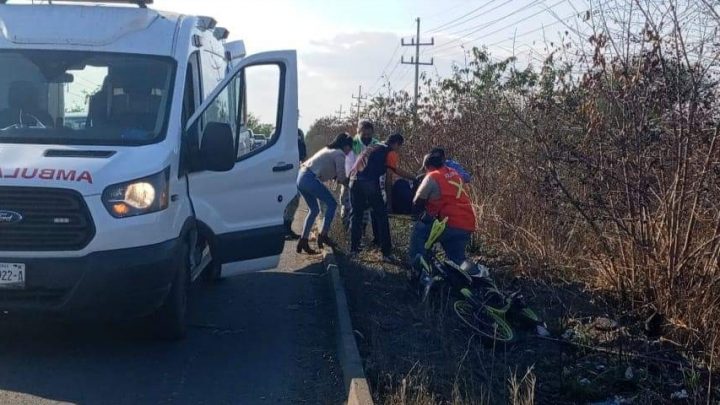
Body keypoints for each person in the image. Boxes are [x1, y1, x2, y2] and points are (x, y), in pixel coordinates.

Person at [349, 133, 415, 261]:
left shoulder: (374, 146)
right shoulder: (390, 152)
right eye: (399, 147)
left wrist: (412, 177)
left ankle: (353, 251)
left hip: (354, 180)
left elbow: (394, 169)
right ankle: (386, 253)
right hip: (368, 182)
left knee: (357, 215)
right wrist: (389, 204)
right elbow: (389, 179)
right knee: (382, 215)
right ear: (396, 144)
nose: (398, 150)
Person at [409, 153, 477, 265]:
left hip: (449, 224)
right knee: (457, 262)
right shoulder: (454, 172)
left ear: (428, 166)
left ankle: (417, 268)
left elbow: (417, 202)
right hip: (467, 224)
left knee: (419, 230)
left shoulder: (432, 176)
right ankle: (462, 279)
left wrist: (416, 217)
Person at [296, 133, 353, 254]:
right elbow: (342, 178)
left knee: (314, 210)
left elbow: (331, 171)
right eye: (350, 147)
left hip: (301, 176)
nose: (350, 151)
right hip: (310, 178)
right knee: (332, 204)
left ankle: (303, 240)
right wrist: (353, 185)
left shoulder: (328, 149)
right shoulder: (340, 154)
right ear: (345, 145)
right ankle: (323, 235)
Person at [341, 120, 380, 230]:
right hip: (351, 180)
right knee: (348, 207)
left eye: (369, 134)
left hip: (368, 183)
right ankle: (345, 231)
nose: (367, 137)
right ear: (358, 132)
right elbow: (347, 164)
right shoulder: (352, 144)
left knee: (366, 211)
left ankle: (361, 234)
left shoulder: (376, 144)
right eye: (364, 134)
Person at [283, 129, 309, 240]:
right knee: (290, 200)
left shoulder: (298, 132)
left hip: (294, 169)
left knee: (293, 200)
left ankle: (286, 228)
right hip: (285, 170)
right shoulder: (285, 132)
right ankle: (285, 229)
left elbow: (303, 154)